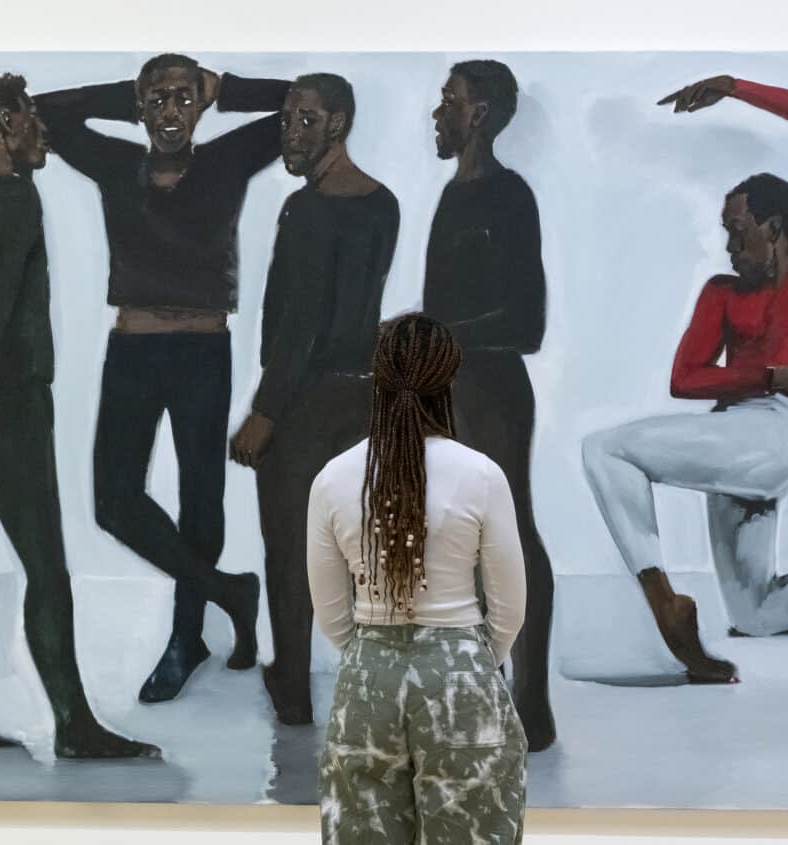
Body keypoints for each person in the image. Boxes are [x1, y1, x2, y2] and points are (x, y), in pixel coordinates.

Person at [581, 76, 788, 683]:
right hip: (737, 445)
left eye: (737, 230)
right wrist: (774, 374)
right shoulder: (722, 294)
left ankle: (662, 601)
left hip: (777, 436)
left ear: (774, 227)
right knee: (757, 610)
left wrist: (732, 87)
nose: (727, 244)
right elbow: (684, 379)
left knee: (604, 449)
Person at [35, 55, 291, 703]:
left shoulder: (227, 161)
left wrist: (225, 89)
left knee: (201, 500)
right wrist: (129, 92)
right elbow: (49, 109)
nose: (170, 111)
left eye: (183, 98)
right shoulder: (117, 164)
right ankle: (229, 590)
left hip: (204, 353)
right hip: (132, 352)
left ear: (200, 105)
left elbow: (304, 103)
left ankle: (186, 638)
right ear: (138, 108)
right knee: (112, 500)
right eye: (156, 101)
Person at [0, 74, 158, 758]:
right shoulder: (13, 202)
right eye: (32, 119)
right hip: (2, 411)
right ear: (5, 127)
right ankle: (74, 724)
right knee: (47, 569)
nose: (46, 130)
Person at [309, 313, 528, 843]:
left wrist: (377, 652)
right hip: (460, 675)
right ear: (448, 380)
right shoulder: (481, 475)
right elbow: (509, 609)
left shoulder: (333, 478)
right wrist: (466, 658)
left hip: (368, 677)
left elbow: (333, 616)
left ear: (376, 380)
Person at [228, 73, 400, 725]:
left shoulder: (305, 211)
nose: (288, 133)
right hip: (364, 399)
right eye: (286, 120)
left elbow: (298, 325)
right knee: (362, 545)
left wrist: (266, 412)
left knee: (291, 546)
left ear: (338, 124)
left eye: (304, 120)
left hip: (304, 403)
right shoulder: (384, 203)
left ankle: (294, 688)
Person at [424, 59, 556, 751]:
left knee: (511, 534)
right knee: (460, 541)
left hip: (494, 389)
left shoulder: (507, 197)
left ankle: (531, 702)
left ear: (480, 114)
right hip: (447, 388)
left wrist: (437, 334)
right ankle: (484, 692)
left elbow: (526, 321)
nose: (437, 113)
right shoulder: (452, 196)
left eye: (450, 102)